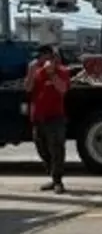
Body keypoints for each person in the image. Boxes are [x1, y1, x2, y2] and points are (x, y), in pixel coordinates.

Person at [25, 45, 70, 194]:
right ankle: (52, 176)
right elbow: (28, 88)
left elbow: (62, 89)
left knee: (56, 148)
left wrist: (52, 74)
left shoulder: (62, 71)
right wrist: (31, 73)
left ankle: (58, 181)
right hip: (38, 117)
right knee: (42, 149)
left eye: (44, 56)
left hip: (55, 117)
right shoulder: (37, 72)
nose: (41, 59)